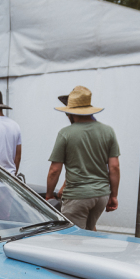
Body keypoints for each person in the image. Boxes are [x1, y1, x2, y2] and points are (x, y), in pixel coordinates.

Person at [45, 86, 120, 231]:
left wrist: (49, 196)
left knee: (72, 239)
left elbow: (54, 170)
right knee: (90, 233)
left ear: (71, 112)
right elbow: (114, 167)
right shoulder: (108, 131)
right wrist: (114, 195)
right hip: (101, 196)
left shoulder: (65, 133)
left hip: (77, 196)